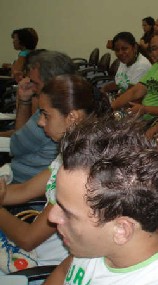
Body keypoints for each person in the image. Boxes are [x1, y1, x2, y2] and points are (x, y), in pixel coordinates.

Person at [43, 115, 158, 285]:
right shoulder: (93, 245)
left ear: (121, 230)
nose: (52, 216)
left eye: (68, 213)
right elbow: (66, 271)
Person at [0, 75, 111, 273]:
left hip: (40, 262)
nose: (41, 122)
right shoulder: (69, 154)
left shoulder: (83, 170)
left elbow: (29, 239)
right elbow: (24, 190)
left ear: (72, 117)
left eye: (45, 114)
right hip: (34, 251)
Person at [0, 50, 76, 183]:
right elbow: (20, 137)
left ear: (52, 82)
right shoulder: (61, 103)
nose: (33, 87)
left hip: (23, 183)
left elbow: (15, 146)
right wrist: (24, 100)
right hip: (24, 181)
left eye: (36, 83)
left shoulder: (52, 115)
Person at [100, 32, 151, 97]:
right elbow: (119, 83)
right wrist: (104, 88)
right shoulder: (125, 61)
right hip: (121, 98)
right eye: (117, 50)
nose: (120, 53)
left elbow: (130, 94)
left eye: (125, 49)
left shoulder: (142, 65)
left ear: (134, 47)